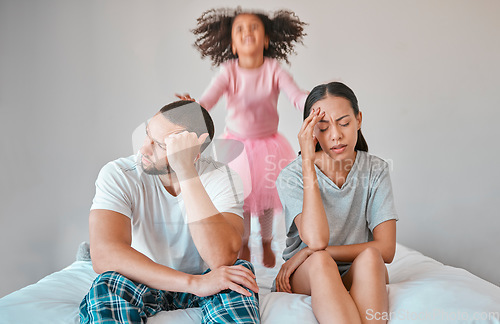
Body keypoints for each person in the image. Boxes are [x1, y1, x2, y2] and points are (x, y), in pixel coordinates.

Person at [79, 100, 260, 323]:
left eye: (160, 145)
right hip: (142, 278)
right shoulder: (119, 173)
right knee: (107, 283)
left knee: (238, 274)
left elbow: (221, 258)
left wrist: (185, 171)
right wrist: (193, 284)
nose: (144, 148)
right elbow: (105, 254)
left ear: (194, 153)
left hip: (209, 276)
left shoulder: (223, 177)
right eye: (147, 135)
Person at [177, 7, 308, 268]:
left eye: (254, 27)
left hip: (269, 145)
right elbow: (209, 100)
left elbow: (296, 96)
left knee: (268, 199)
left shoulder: (273, 69)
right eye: (240, 29)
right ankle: (245, 242)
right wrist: (195, 106)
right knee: (243, 199)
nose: (247, 32)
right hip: (236, 145)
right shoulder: (229, 71)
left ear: (266, 40)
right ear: (233, 45)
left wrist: (314, 100)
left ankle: (267, 242)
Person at [274, 82, 398, 324]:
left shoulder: (376, 169)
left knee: (372, 256)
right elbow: (317, 241)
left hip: (354, 268)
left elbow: (386, 249)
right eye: (323, 127)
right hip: (307, 272)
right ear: (311, 132)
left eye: (344, 123)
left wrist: (313, 252)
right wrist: (307, 163)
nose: (335, 135)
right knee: (320, 261)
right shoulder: (291, 176)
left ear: (359, 120)